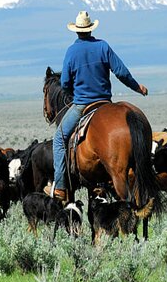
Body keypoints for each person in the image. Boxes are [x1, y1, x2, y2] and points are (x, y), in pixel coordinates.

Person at [44, 11, 148, 202]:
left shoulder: (71, 51)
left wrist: (74, 88)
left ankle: (59, 187)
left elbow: (65, 82)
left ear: (76, 31)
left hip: (82, 105)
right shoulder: (103, 46)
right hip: (105, 102)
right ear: (91, 29)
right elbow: (121, 72)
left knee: (59, 138)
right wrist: (137, 87)